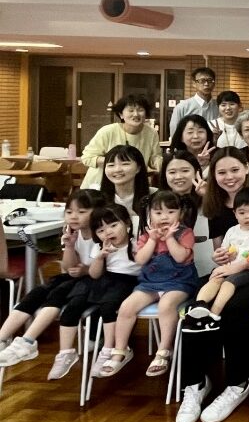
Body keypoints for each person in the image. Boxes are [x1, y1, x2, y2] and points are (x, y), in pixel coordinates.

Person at [175, 148, 249, 422]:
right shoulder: (214, 204)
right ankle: (195, 383)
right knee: (195, 307)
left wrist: (245, 263)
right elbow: (221, 251)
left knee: (234, 307)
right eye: (221, 172)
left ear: (246, 168)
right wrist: (220, 258)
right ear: (213, 175)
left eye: (235, 169)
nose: (229, 177)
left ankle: (238, 382)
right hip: (233, 269)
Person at [0, 190, 106, 374]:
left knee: (58, 293)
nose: (73, 216)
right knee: (37, 292)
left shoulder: (101, 236)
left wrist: (84, 270)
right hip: (77, 277)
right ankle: (2, 337)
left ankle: (27, 341)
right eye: (69, 212)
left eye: (81, 212)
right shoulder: (74, 233)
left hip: (96, 280)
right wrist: (70, 246)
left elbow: (100, 271)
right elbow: (68, 266)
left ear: (97, 213)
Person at [98, 195, 197, 378]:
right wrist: (152, 240)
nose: (164, 217)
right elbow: (141, 260)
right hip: (150, 283)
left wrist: (169, 238)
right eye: (158, 212)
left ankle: (164, 350)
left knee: (166, 305)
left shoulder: (185, 233)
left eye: (171, 212)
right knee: (126, 307)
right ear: (149, 215)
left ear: (180, 213)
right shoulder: (145, 235)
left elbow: (180, 257)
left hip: (179, 282)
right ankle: (121, 350)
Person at [185, 186, 249, 332]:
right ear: (235, 214)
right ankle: (199, 305)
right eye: (242, 212)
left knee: (228, 283)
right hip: (230, 267)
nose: (247, 216)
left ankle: (213, 315)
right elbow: (226, 252)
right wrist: (225, 256)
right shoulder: (232, 231)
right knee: (215, 279)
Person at [80, 94, 162, 189]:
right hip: (99, 185)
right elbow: (87, 158)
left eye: (140, 110)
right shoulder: (108, 131)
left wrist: (160, 163)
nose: (136, 114)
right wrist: (116, 163)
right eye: (131, 110)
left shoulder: (151, 133)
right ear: (121, 114)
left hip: (131, 187)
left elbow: (154, 157)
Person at [98, 146, 152, 219]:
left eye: (125, 164)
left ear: (138, 168)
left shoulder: (153, 195)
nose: (117, 170)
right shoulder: (96, 195)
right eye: (111, 165)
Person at [170, 67, 218, 137]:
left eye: (210, 80)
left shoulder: (219, 107)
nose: (206, 84)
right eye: (202, 81)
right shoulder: (182, 107)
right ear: (194, 84)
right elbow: (175, 135)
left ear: (214, 84)